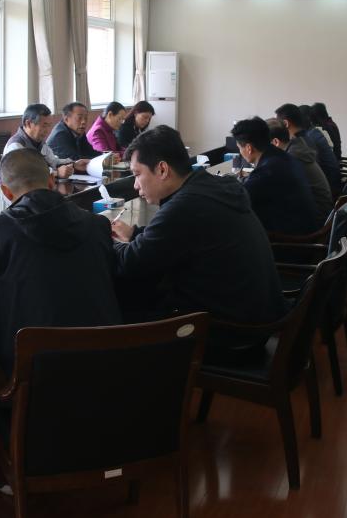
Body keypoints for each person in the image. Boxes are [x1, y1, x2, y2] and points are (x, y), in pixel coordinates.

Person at [110, 126, 286, 359]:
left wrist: (104, 238)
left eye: (137, 174)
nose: (135, 185)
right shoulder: (212, 187)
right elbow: (176, 238)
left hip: (230, 334)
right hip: (258, 319)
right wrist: (134, 234)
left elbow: (130, 263)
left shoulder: (185, 206)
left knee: (123, 305)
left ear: (162, 169)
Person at [0, 148, 122, 374]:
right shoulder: (96, 225)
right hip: (104, 364)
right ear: (51, 181)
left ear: (6, 192)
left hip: (33, 372)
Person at [232, 117, 319, 235]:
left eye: (239, 148)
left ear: (249, 148)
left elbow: (238, 200)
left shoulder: (267, 171)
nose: (240, 152)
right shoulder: (282, 157)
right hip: (307, 229)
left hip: (292, 240)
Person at [0, 104, 89, 185]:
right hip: (11, 192)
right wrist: (57, 173)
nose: (47, 130)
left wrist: (74, 164)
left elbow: (53, 161)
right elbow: (26, 174)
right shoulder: (16, 146)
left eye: (49, 125)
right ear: (28, 123)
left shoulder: (39, 142)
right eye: (44, 125)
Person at [268, 117, 333, 221]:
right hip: (322, 210)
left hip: (316, 217)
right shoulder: (296, 146)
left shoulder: (291, 157)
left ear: (276, 142)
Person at [274, 103, 342, 195]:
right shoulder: (308, 135)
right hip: (330, 186)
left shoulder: (304, 142)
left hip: (329, 190)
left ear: (286, 123)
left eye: (277, 124)